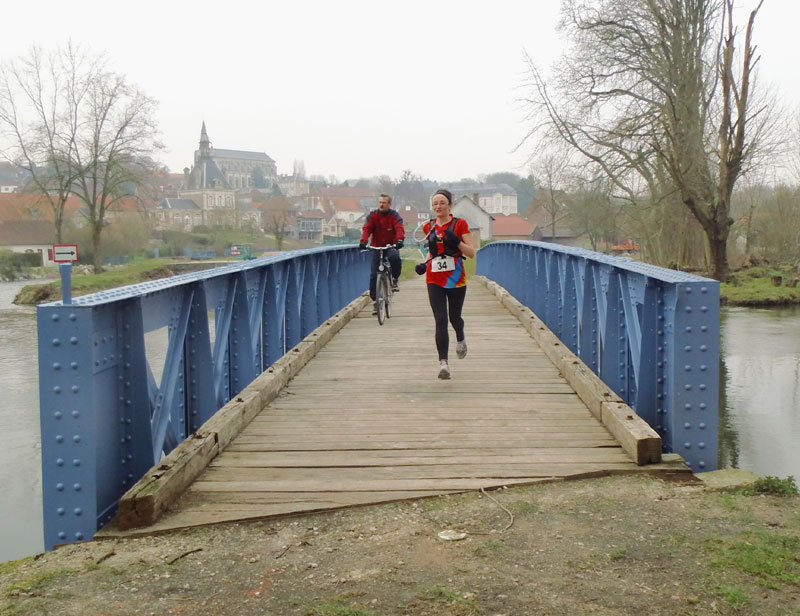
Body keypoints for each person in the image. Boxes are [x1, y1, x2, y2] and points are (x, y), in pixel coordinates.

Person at [414, 188, 476, 379]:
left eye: (442, 203)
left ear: (449, 205)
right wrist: (425, 264)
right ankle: (444, 364)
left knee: (454, 318)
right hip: (434, 278)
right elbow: (432, 251)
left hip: (456, 279)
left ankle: (460, 337)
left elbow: (471, 253)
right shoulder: (429, 227)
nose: (438, 206)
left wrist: (457, 242)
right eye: (435, 203)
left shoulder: (460, 224)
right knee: (440, 320)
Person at [359, 194, 405, 313]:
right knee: (374, 274)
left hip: (391, 245)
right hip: (376, 246)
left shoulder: (394, 216)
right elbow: (367, 228)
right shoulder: (373, 216)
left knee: (395, 258)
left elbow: (399, 228)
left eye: (384, 203)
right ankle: (376, 300)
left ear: (389, 204)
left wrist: (399, 240)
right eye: (380, 202)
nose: (381, 205)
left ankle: (395, 278)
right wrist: (363, 241)